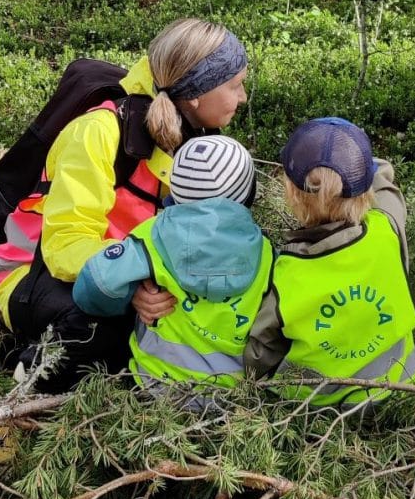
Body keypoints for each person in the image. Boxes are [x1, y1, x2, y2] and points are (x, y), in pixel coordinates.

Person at [0, 19, 249, 392]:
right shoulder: (99, 131)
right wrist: (137, 284)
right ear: (197, 93)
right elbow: (65, 247)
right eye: (235, 85)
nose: (242, 97)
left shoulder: (197, 132)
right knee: (113, 326)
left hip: (123, 268)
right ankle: (31, 376)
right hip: (33, 274)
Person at [243, 117, 415, 408]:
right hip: (401, 389)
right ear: (365, 188)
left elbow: (261, 352)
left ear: (291, 194)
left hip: (313, 409)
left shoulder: (288, 271)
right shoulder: (387, 227)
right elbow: (386, 180)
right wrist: (350, 156)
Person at [73, 135, 272, 389]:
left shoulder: (151, 236)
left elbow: (95, 285)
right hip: (233, 394)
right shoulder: (266, 252)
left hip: (153, 383)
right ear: (248, 194)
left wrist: (130, 297)